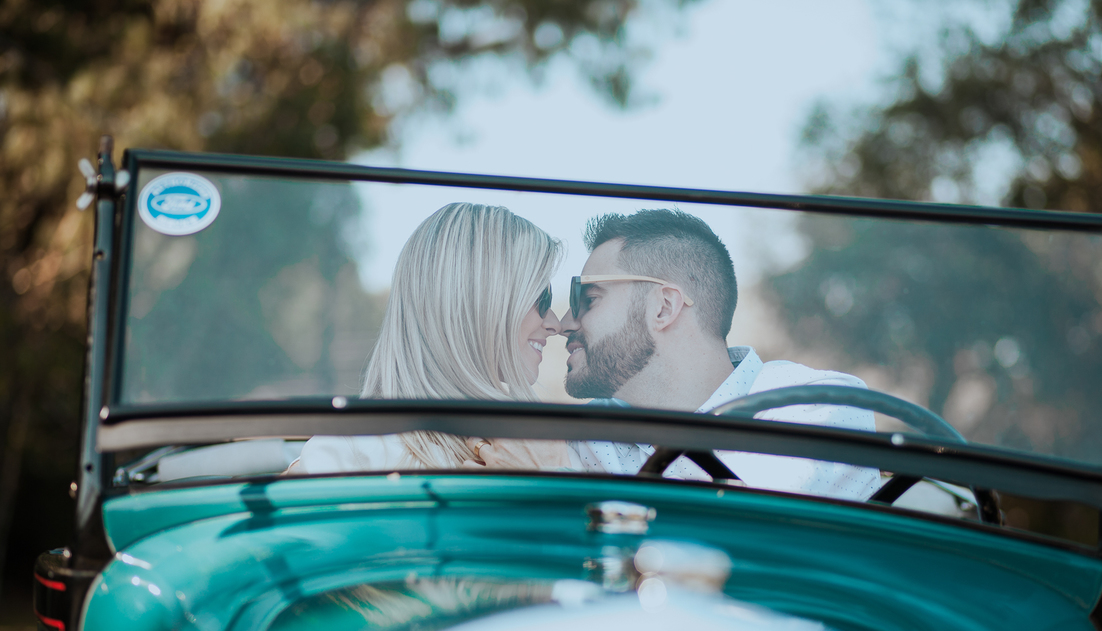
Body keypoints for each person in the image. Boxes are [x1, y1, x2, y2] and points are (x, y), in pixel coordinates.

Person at [555, 208, 882, 500]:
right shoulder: (591, 435)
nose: (564, 323)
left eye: (588, 299)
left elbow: (757, 536)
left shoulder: (816, 406)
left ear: (663, 307)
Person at [288, 202, 575, 474]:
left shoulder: (540, 447)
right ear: (477, 302)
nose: (554, 323)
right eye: (541, 297)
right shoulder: (346, 455)